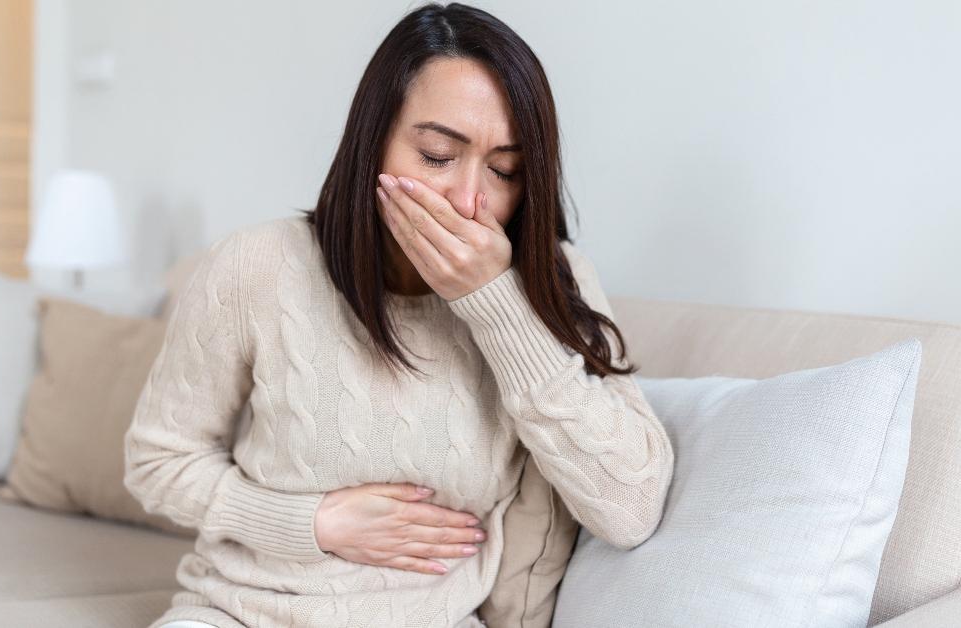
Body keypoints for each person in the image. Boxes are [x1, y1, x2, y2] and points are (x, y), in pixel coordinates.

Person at [124, 3, 675, 627]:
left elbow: (631, 509)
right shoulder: (258, 265)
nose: (469, 201)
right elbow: (158, 463)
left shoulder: (553, 279)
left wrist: (497, 307)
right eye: (438, 155)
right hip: (241, 612)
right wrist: (313, 523)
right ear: (374, 141)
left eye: (504, 170)